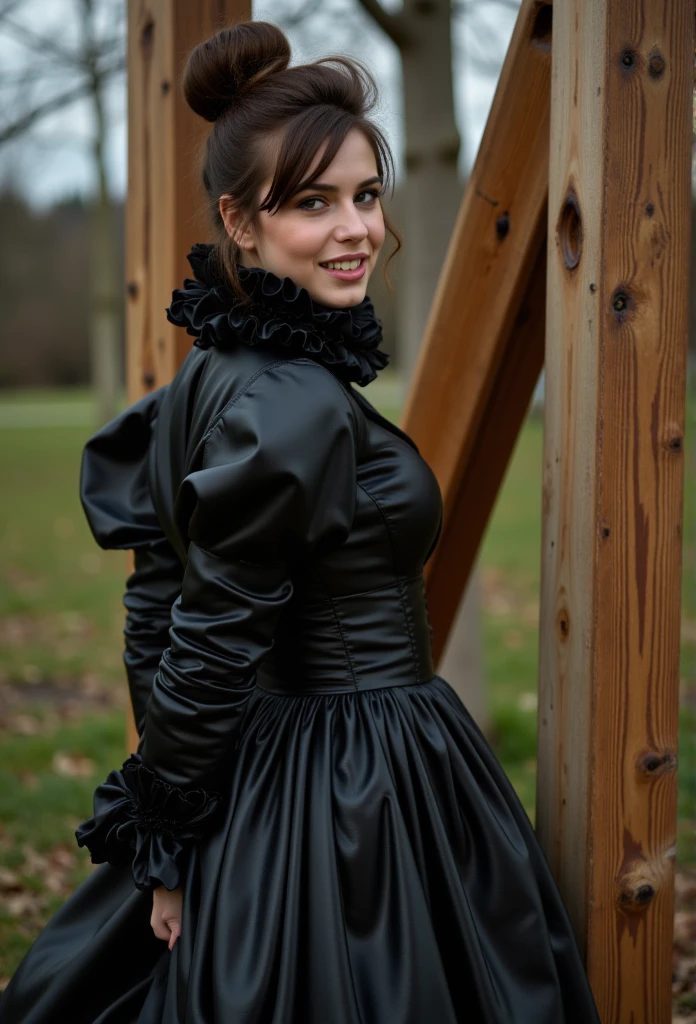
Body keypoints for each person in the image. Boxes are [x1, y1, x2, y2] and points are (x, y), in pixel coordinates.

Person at [0, 21, 600, 1024]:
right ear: (240, 223)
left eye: (367, 195)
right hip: (359, 780)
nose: (356, 227)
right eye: (312, 203)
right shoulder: (291, 404)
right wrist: (169, 844)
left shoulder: (212, 377)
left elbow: (158, 606)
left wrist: (177, 813)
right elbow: (207, 632)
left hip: (279, 768)